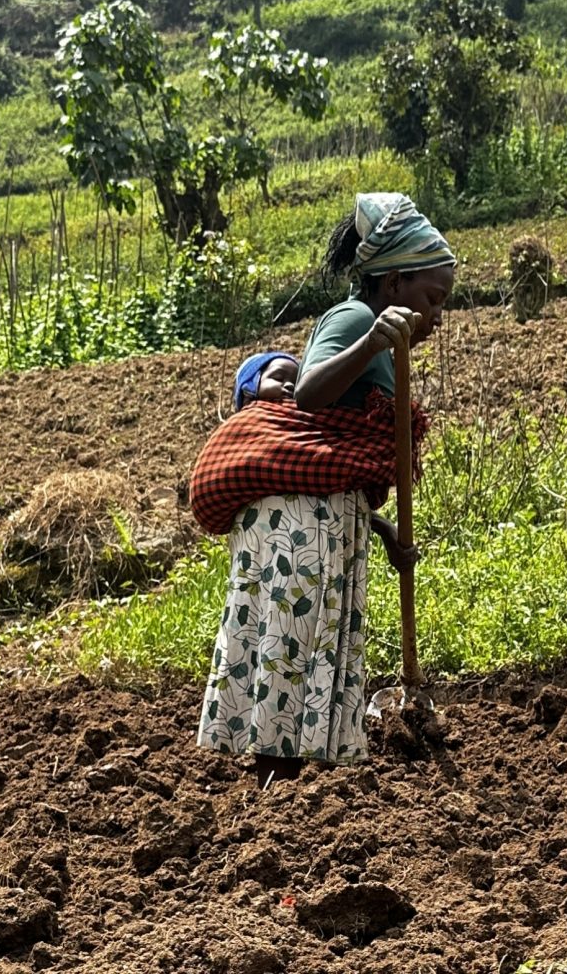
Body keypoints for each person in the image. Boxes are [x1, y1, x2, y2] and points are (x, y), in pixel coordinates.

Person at [196, 192, 455, 787]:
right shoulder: (356, 319)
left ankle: (285, 797)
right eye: (431, 299)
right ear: (392, 284)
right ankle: (274, 792)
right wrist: (372, 341)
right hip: (298, 521)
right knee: (294, 647)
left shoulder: (385, 338)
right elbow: (311, 396)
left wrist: (383, 529)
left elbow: (346, 455)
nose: (437, 316)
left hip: (328, 517)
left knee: (311, 649)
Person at [232, 351, 299, 410]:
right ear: (249, 389)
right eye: (278, 378)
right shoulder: (240, 422)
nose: (291, 385)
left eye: (297, 383)